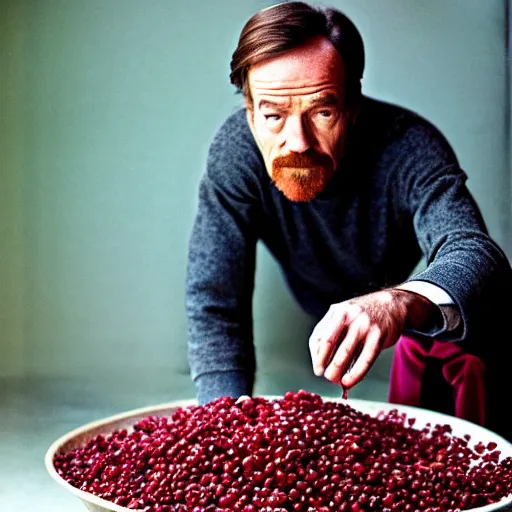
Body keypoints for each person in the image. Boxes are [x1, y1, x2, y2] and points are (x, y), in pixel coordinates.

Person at [185, 1, 512, 440]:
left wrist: (395, 302)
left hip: (422, 322)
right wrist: (224, 427)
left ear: (352, 105)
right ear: (249, 113)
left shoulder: (409, 145)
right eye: (273, 116)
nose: (297, 142)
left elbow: (475, 252)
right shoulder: (236, 155)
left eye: (322, 112)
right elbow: (214, 299)